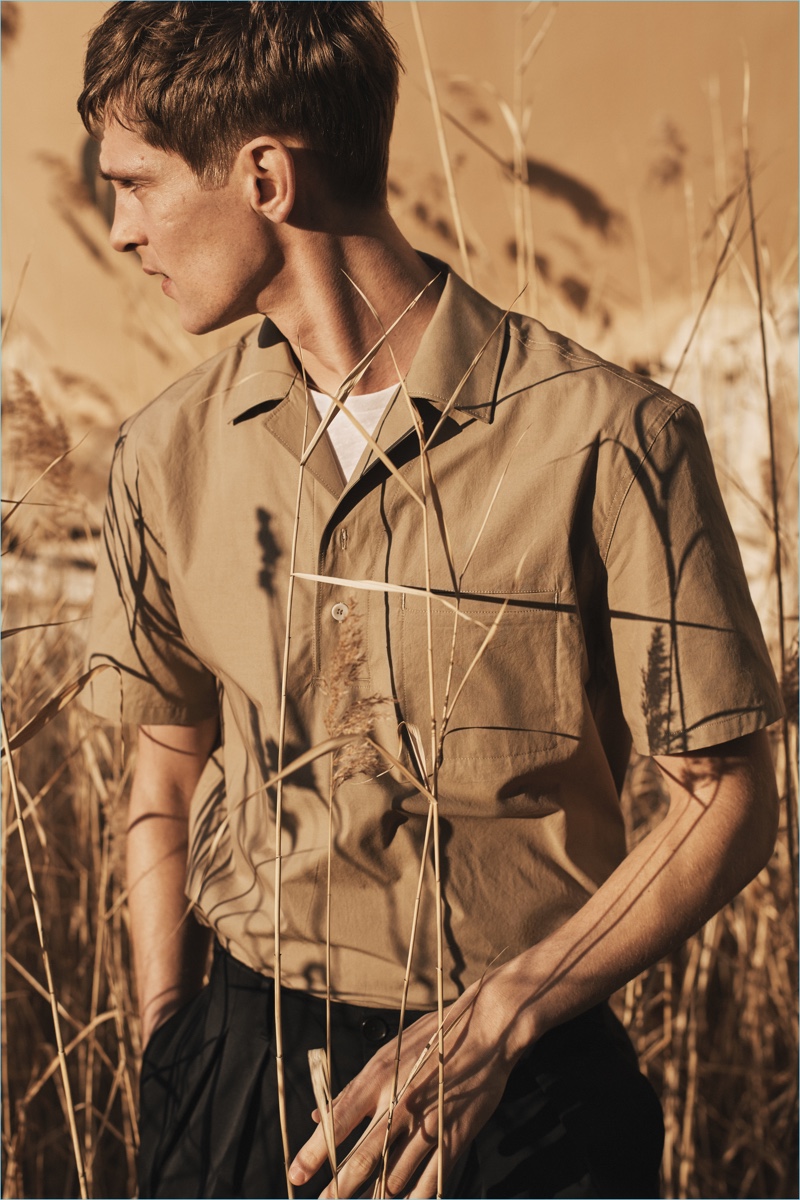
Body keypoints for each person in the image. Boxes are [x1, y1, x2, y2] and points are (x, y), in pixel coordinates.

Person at [78, 3, 783, 1197]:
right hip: (237, 1082)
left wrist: (504, 1020)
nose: (119, 228)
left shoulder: (611, 441)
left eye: (137, 184)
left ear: (262, 176)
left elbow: (727, 805)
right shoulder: (163, 456)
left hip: (524, 1102)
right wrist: (171, 1045)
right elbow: (163, 765)